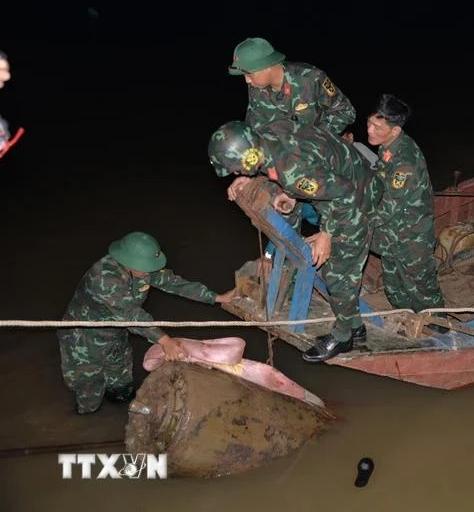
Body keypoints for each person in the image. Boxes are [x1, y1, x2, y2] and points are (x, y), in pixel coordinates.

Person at [208, 120, 382, 363]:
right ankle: (356, 327)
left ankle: (344, 337)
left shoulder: (294, 175)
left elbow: (345, 194)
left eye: (237, 169)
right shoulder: (268, 134)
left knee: (338, 274)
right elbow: (283, 165)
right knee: (334, 271)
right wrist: (251, 178)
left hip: (357, 198)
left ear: (249, 158)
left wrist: (326, 234)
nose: (236, 173)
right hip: (346, 178)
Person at [59, 232, 236, 414]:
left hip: (116, 334)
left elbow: (173, 283)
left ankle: (119, 407)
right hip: (84, 341)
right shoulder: (104, 278)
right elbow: (131, 315)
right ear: (128, 263)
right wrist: (165, 341)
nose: (149, 272)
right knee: (89, 387)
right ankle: (88, 417)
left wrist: (217, 297)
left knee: (121, 380)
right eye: (145, 268)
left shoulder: (141, 270)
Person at [366, 94, 445, 313]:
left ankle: (440, 330)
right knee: (394, 287)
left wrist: (354, 220)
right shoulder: (387, 146)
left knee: (423, 290)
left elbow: (386, 210)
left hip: (411, 236)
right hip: (392, 235)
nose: (370, 131)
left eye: (377, 127)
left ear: (395, 131)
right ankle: (404, 317)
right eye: (369, 123)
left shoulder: (405, 163)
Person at [229, 37, 356, 135]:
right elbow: (255, 124)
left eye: (249, 74)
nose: (247, 80)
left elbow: (345, 111)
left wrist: (316, 137)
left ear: (266, 66)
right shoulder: (256, 88)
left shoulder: (311, 78)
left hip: (319, 155)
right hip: (285, 158)